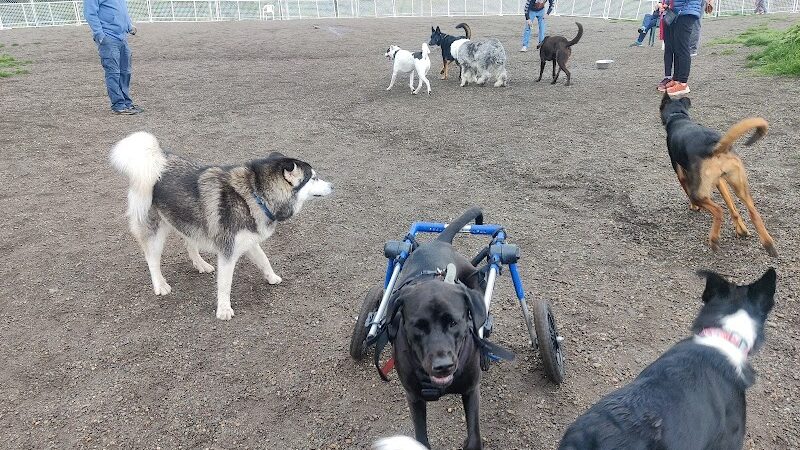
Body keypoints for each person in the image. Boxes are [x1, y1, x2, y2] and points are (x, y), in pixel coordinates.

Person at [84, 0, 142, 115]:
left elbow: (121, 10)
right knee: (113, 73)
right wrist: (100, 35)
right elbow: (90, 13)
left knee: (125, 72)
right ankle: (118, 105)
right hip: (108, 38)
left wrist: (129, 25)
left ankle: (126, 103)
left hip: (122, 37)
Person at [657, 0, 702, 97]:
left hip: (686, 11)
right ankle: (676, 79)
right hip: (679, 11)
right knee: (677, 47)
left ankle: (683, 83)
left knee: (682, 48)